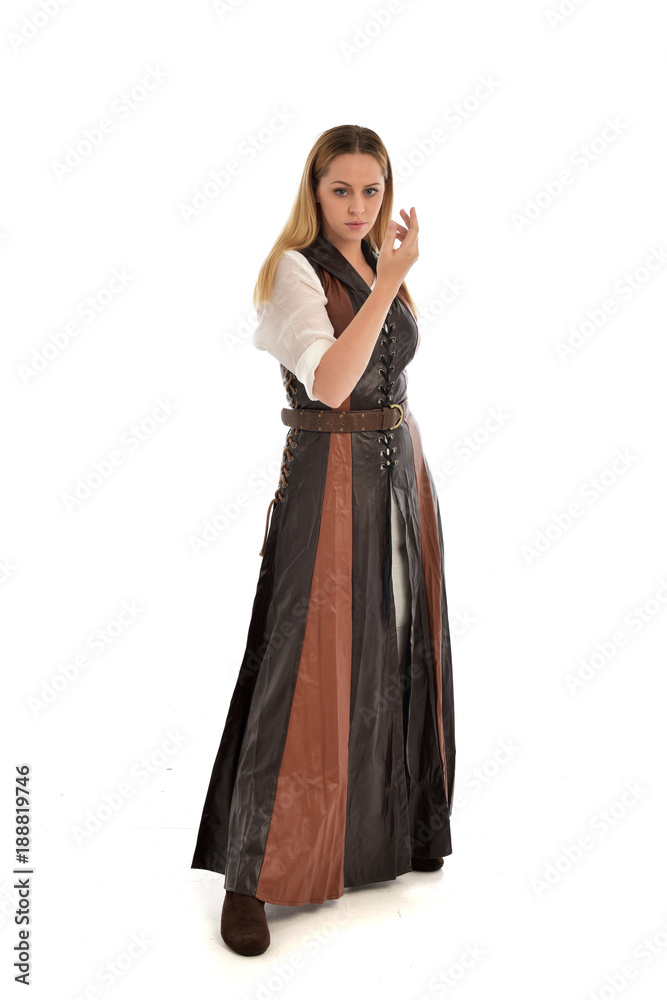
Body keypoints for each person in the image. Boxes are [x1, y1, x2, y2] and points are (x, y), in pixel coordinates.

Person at [190, 124, 456, 957]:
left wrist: (390, 274)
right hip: (327, 475)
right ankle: (250, 877)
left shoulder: (379, 262)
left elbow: (389, 375)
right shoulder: (291, 274)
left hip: (396, 472)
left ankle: (374, 836)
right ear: (313, 192)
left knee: (392, 649)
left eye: (371, 190)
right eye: (340, 190)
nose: (357, 207)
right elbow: (333, 384)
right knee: (301, 664)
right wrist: (392, 283)